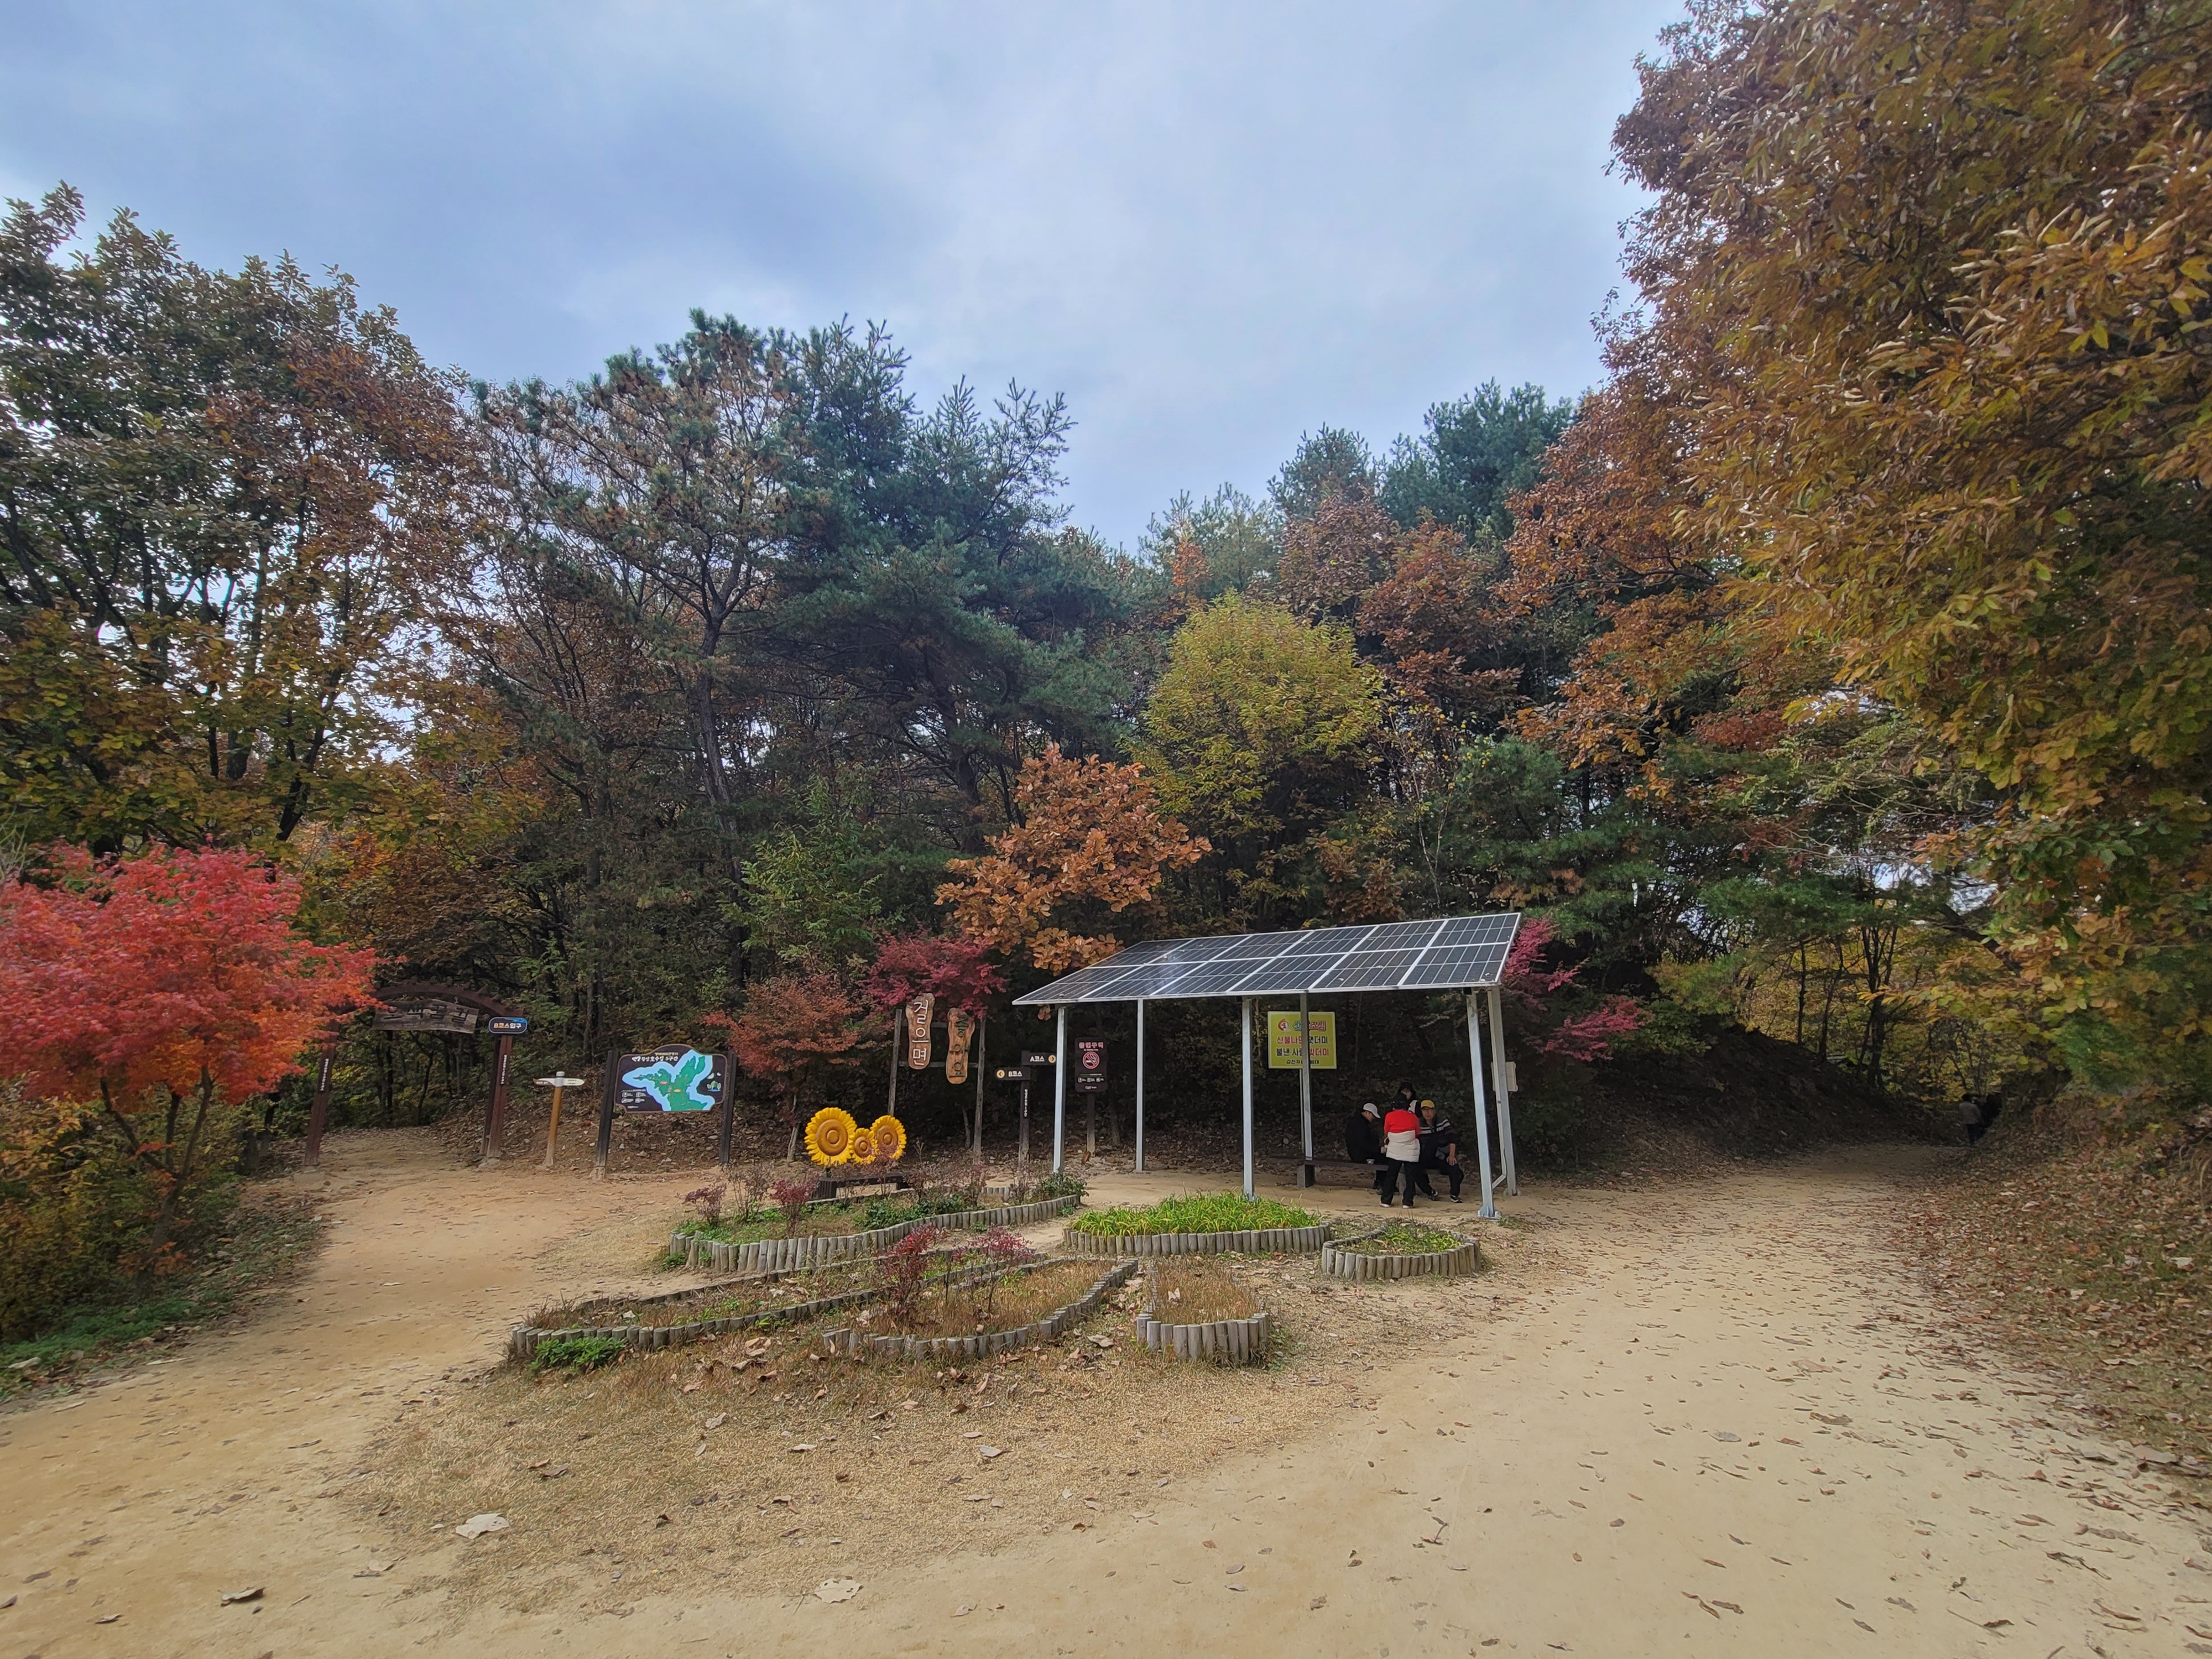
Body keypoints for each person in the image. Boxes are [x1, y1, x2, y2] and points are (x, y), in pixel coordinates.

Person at [1417, 1099, 1464, 1202]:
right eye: (1424, 1110)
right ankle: (1430, 1192)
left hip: (1443, 1154)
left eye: (1430, 1110)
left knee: (1456, 1169)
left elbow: (1452, 1139)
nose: (1427, 1113)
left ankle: (1454, 1195)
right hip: (1427, 1155)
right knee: (1414, 1168)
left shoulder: (1442, 1121)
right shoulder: (1418, 1123)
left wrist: (1451, 1155)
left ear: (1434, 1111)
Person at [1380, 1099, 1423, 1206]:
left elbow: (1386, 1132)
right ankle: (1408, 1202)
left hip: (1395, 1150)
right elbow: (1418, 1133)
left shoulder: (1389, 1116)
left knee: (1391, 1175)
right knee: (1410, 1177)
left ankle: (1386, 1200)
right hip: (1410, 1151)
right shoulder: (1414, 1117)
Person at [1345, 1102, 1390, 1194]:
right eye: (1373, 1115)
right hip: (1359, 1154)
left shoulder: (1358, 1122)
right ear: (1368, 1113)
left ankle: (1380, 1182)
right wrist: (1379, 1150)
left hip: (1357, 1152)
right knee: (1383, 1159)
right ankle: (1383, 1184)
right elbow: (1363, 1143)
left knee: (1381, 1158)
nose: (1373, 1118)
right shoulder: (1360, 1124)